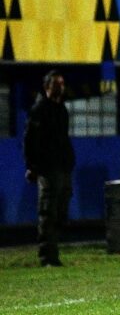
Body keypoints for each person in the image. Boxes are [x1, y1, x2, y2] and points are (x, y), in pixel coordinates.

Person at [23, 70, 75, 267]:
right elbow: (30, 140)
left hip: (63, 167)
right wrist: (32, 166)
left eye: (62, 84)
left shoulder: (61, 110)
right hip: (47, 168)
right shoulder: (39, 109)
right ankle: (48, 257)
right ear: (47, 87)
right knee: (47, 212)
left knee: (61, 212)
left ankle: (54, 252)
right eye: (56, 84)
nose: (60, 87)